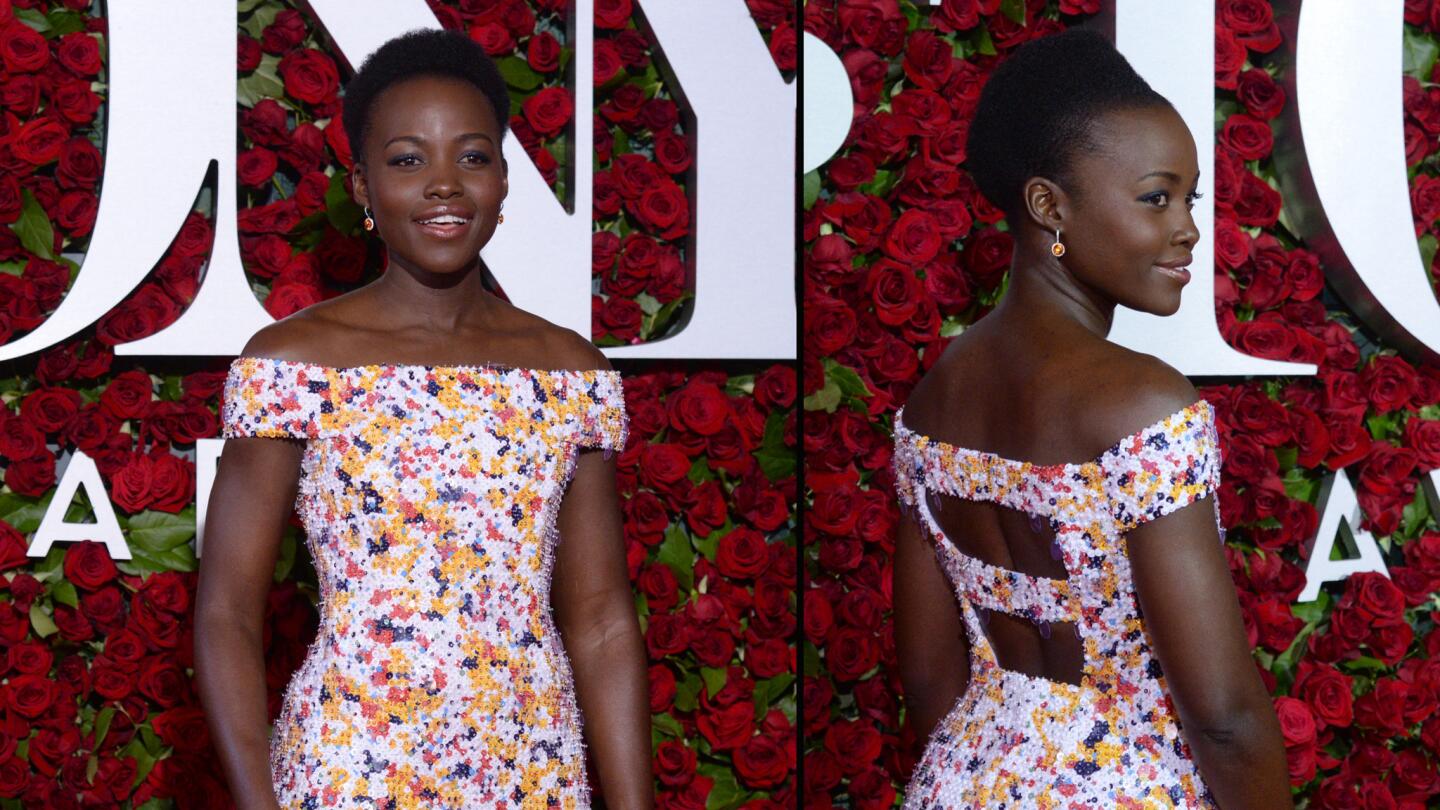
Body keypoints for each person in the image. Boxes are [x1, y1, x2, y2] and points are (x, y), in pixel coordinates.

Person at [195, 29, 652, 809]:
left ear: (505, 182)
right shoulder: (296, 362)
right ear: (363, 187)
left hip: (532, 772)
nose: (444, 184)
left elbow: (603, 621)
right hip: (349, 771)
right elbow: (228, 612)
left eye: (471, 157)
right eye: (408, 160)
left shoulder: (571, 372)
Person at [890, 29, 1291, 809]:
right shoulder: (1144, 404)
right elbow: (1223, 717)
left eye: (1189, 199)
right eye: (1155, 197)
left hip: (963, 782)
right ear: (1049, 205)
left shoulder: (932, 396)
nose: (1188, 229)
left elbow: (930, 676)